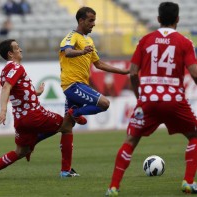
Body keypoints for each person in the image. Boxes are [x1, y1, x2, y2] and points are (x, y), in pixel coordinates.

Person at [105, 2, 197, 196]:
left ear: (158, 19)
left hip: (148, 101)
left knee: (130, 140)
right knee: (196, 136)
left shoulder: (145, 40)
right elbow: (196, 74)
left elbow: (132, 73)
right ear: (178, 19)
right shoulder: (185, 42)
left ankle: (113, 187)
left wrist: (140, 96)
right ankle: (188, 182)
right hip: (174, 100)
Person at [0, 39, 76, 180]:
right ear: (10, 54)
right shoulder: (17, 67)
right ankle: (66, 171)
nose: (21, 50)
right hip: (33, 115)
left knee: (20, 151)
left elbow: (16, 91)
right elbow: (7, 88)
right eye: (17, 48)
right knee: (67, 126)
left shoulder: (4, 71)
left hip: (20, 120)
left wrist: (36, 92)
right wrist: (2, 110)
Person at [58, 7, 129, 177]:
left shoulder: (89, 41)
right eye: (90, 20)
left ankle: (65, 171)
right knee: (105, 103)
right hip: (72, 85)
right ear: (81, 20)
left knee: (66, 128)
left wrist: (123, 71)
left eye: (94, 20)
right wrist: (81, 52)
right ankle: (75, 112)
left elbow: (99, 64)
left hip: (79, 85)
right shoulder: (71, 37)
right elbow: (67, 52)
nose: (94, 24)